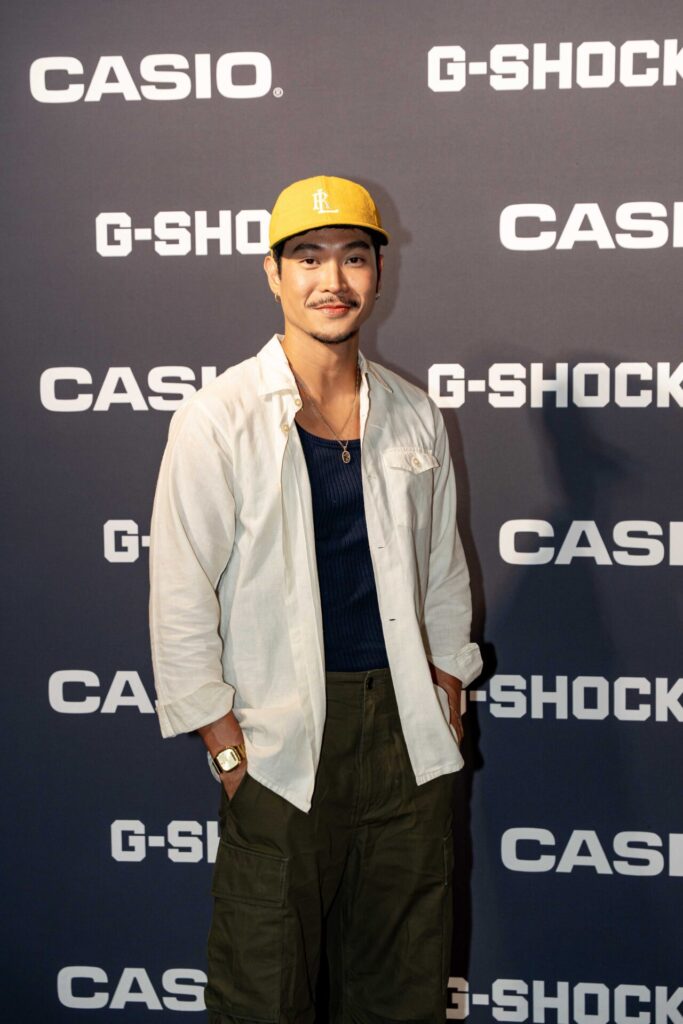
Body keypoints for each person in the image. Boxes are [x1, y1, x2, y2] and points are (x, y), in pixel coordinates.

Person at [148, 174, 483, 1024]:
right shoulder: (217, 417)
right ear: (273, 273)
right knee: (264, 991)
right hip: (277, 741)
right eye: (307, 257)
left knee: (402, 989)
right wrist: (226, 748)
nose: (331, 280)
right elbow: (180, 593)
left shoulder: (412, 413)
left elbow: (442, 570)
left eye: (353, 257)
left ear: (378, 272)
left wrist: (447, 687)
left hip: (406, 738)